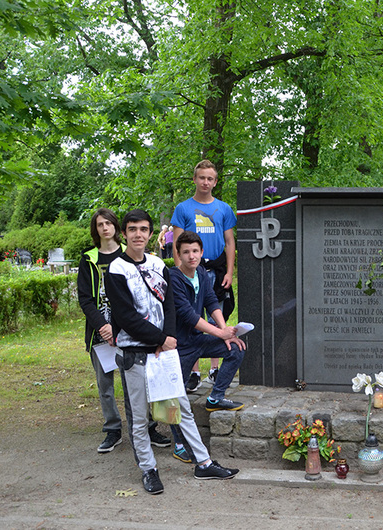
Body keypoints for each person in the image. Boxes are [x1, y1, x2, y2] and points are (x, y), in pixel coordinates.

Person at [105, 209, 239, 494]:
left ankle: (203, 463)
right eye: (132, 229)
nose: (138, 234)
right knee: (141, 418)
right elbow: (125, 316)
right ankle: (148, 469)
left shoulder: (157, 264)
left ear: (150, 233)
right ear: (124, 233)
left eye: (143, 229)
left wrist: (166, 337)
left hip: (163, 351)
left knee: (183, 410)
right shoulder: (117, 269)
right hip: (136, 354)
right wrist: (160, 339)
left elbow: (168, 306)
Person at [77, 208, 170, 453]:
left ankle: (148, 427)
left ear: (118, 229)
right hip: (101, 332)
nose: (105, 228)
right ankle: (112, 430)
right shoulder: (89, 259)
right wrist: (103, 326)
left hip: (132, 332)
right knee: (105, 384)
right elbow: (86, 299)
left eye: (109, 223)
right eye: (100, 224)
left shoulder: (129, 255)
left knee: (141, 382)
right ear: (95, 229)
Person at [169, 230, 246, 463]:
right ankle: (179, 443)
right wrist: (219, 332)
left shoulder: (201, 273)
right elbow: (188, 316)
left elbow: (212, 301)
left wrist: (226, 333)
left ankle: (216, 397)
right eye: (186, 252)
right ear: (179, 255)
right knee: (175, 395)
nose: (192, 256)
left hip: (199, 340)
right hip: (178, 346)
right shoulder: (173, 278)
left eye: (195, 251)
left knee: (236, 349)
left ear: (202, 253)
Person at [172, 160, 237, 393]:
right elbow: (177, 244)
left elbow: (230, 242)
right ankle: (194, 372)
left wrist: (229, 271)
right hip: (190, 270)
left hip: (215, 269)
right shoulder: (183, 209)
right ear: (194, 179)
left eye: (210, 178)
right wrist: (182, 273)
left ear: (215, 181)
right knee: (192, 318)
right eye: (202, 178)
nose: (206, 182)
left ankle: (215, 367)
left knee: (215, 311)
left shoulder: (224, 208)